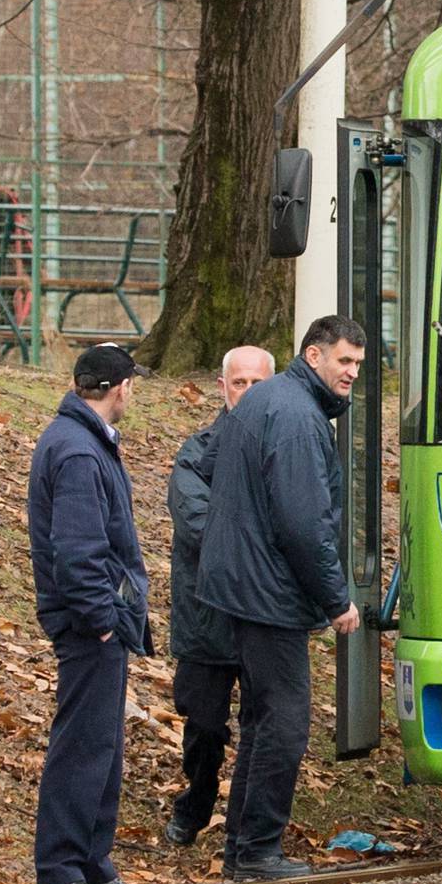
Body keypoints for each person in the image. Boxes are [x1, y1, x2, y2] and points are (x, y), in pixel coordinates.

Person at [198, 314, 365, 880]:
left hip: (244, 585)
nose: (352, 374)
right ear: (313, 357)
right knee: (286, 724)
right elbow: (304, 523)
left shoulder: (271, 402)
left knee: (264, 720)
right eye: (344, 361)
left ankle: (243, 851)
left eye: (359, 365)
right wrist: (336, 599)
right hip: (267, 590)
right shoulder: (297, 416)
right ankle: (258, 851)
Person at [26, 342, 155, 884]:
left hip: (100, 621)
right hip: (91, 625)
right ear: (120, 387)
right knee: (83, 744)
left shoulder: (82, 441)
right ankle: (60, 867)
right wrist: (102, 620)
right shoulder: (78, 450)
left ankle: (92, 861)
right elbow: (77, 553)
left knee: (101, 744)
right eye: (133, 384)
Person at [162, 344, 276, 846]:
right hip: (206, 615)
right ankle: (197, 800)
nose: (247, 392)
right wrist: (260, 538)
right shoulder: (196, 450)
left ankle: (247, 826)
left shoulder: (287, 447)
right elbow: (197, 525)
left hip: (265, 614)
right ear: (222, 386)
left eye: (257, 383)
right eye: (239, 383)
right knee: (204, 724)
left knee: (263, 722)